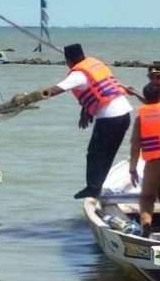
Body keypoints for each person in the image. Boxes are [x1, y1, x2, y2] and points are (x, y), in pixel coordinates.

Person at [38, 43, 133, 199]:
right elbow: (96, 89)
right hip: (124, 114)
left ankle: (93, 188)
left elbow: (56, 89)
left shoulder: (77, 75)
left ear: (68, 60)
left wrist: (33, 97)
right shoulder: (95, 64)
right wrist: (85, 111)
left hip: (109, 117)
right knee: (107, 153)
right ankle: (97, 186)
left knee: (94, 154)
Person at [129, 82, 160, 237]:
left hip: (152, 162)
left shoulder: (142, 115)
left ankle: (146, 224)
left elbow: (135, 144)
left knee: (147, 197)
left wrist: (132, 168)